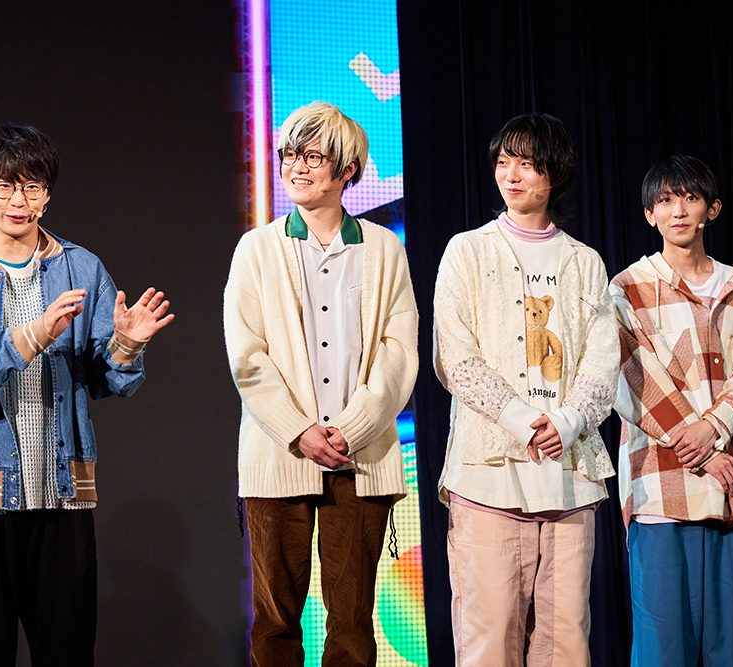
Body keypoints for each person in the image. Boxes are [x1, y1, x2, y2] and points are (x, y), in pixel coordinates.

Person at [0, 123, 173, 666]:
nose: (18, 202)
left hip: (62, 496)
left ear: (48, 194)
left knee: (67, 654)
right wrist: (35, 333)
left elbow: (108, 378)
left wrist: (126, 344)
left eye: (32, 187)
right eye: (4, 186)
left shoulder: (81, 267)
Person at [223, 101, 418, 666]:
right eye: (289, 154)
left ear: (347, 169)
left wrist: (352, 428)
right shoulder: (257, 248)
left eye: (312, 156)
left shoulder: (383, 247)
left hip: (360, 457)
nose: (296, 167)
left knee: (352, 622)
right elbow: (247, 356)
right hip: (278, 453)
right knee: (275, 622)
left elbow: (399, 350)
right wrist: (299, 429)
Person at [433, 113, 618, 667]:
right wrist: (520, 420)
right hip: (487, 475)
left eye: (527, 164)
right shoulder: (467, 250)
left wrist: (567, 422)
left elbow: (603, 359)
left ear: (554, 173)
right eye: (502, 162)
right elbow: (454, 354)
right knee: (489, 640)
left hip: (568, 480)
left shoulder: (585, 262)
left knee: (565, 643)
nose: (510, 176)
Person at [611, 154, 733, 666]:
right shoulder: (628, 288)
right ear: (649, 215)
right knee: (663, 650)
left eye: (689, 198)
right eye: (664, 200)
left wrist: (714, 428)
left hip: (732, 490)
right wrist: (701, 446)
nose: (677, 210)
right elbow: (633, 377)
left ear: (712, 209)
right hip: (662, 490)